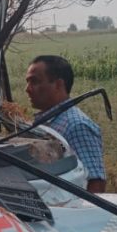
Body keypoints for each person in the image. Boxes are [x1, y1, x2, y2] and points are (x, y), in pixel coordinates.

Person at [25, 55, 106, 194]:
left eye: (35, 82)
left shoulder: (76, 125)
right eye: (27, 82)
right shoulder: (46, 121)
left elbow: (95, 183)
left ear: (58, 85)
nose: (28, 89)